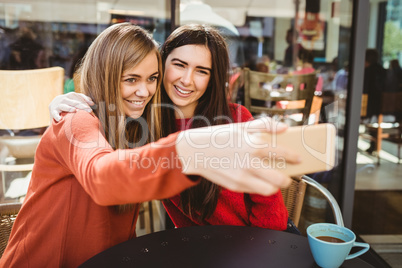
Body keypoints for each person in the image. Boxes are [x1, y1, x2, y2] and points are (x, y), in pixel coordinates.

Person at [1, 23, 301, 267]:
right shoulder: (98, 122)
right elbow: (102, 174)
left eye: (151, 78)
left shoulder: (145, 125)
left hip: (249, 250)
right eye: (132, 79)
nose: (144, 90)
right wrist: (191, 150)